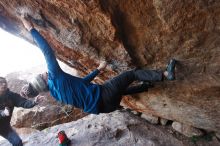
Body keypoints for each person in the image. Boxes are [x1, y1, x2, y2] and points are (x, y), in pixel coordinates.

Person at [20, 16, 176, 114]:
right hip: (104, 95)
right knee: (131, 74)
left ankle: (145, 86)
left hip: (106, 108)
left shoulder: (55, 93)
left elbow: (82, 84)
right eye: (42, 76)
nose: (44, 73)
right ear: (44, 82)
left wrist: (98, 70)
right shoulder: (55, 76)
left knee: (118, 89)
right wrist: (31, 29)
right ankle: (165, 75)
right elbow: (47, 51)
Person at [0, 77, 41, 146]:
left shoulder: (11, 96)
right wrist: (3, 113)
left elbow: (23, 102)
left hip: (4, 127)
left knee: (18, 142)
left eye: (5, 82)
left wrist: (34, 102)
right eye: (0, 83)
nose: (4, 84)